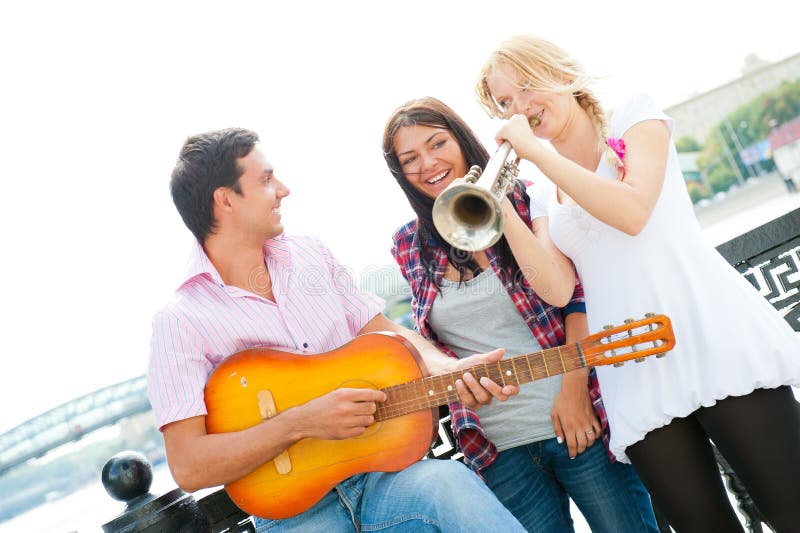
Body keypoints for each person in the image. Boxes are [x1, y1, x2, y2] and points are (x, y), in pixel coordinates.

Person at [476, 34, 800, 532]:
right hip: (632, 364)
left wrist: (538, 157)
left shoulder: (635, 116)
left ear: (560, 73)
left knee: (791, 508)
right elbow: (559, 290)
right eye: (505, 102)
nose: (521, 108)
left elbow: (631, 212)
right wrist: (500, 213)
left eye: (527, 86)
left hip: (710, 330)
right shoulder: (543, 193)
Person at [147, 127, 529, 532]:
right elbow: (189, 466)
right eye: (265, 180)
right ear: (225, 200)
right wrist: (300, 423)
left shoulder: (311, 254)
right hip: (297, 517)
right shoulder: (179, 323)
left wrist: (451, 369)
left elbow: (382, 331)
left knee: (451, 483)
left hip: (384, 477)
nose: (283, 189)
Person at [382, 97, 658, 532]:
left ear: (461, 140)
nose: (428, 163)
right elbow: (434, 345)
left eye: (438, 143)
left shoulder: (528, 197)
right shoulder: (408, 244)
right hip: (497, 450)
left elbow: (575, 297)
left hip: (577, 423)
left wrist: (574, 392)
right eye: (410, 159)